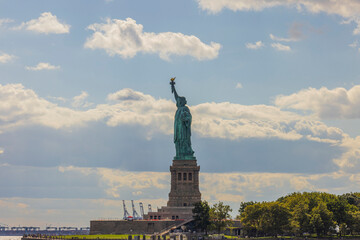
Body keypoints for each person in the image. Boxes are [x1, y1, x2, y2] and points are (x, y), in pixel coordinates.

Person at [170, 79, 194, 158]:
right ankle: (180, 154)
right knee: (179, 141)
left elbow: (189, 117)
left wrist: (186, 119)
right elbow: (176, 97)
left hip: (184, 129)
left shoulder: (185, 108)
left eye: (180, 101)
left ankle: (186, 153)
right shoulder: (179, 109)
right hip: (178, 129)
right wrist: (173, 87)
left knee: (184, 140)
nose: (178, 102)